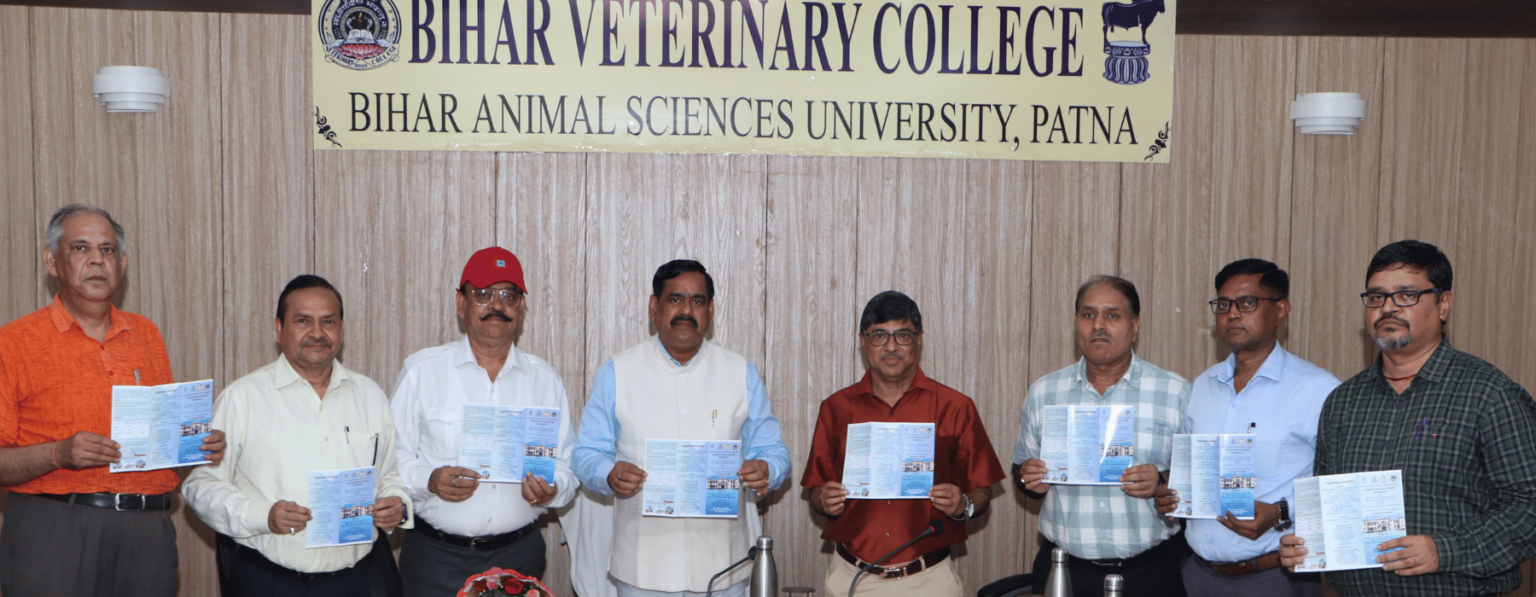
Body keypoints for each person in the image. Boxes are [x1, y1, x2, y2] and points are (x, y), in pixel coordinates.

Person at [1278, 240, 1536, 597]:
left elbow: (1529, 507)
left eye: (1406, 295)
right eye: (1376, 297)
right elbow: (1328, 509)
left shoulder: (1488, 393)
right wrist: (1306, 546)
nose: (1388, 308)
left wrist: (1445, 550)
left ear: (1443, 304)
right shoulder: (1342, 402)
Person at [0, 204, 226, 597]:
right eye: (80, 248)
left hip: (147, 532)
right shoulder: (14, 342)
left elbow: (158, 439)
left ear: (121, 264)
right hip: (55, 529)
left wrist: (195, 442)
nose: (96, 260)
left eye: (107, 250)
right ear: (51, 261)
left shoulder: (145, 334)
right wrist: (58, 453)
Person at [571, 259, 792, 597]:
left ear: (710, 311)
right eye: (675, 299)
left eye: (697, 301)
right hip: (643, 569)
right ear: (654, 307)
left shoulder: (741, 373)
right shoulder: (617, 372)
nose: (686, 310)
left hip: (725, 568)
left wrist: (768, 469)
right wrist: (609, 474)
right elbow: (586, 453)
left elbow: (774, 452)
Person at [183, 275, 412, 597]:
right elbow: (200, 485)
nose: (317, 333)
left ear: (342, 329)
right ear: (279, 329)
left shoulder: (369, 395)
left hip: (354, 581)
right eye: (303, 321)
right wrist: (264, 515)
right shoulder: (242, 397)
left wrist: (396, 505)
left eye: (328, 321)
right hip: (269, 581)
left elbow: (389, 476)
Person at [391, 247, 577, 596]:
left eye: (508, 295)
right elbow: (391, 461)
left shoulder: (545, 380)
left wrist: (553, 490)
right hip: (436, 560)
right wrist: (429, 480)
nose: (496, 305)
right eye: (482, 294)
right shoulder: (422, 371)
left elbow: (568, 466)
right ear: (461, 303)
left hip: (518, 559)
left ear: (521, 307)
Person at [802, 291, 1005, 596]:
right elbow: (816, 492)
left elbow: (982, 490)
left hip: (929, 579)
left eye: (903, 335)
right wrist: (824, 500)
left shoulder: (955, 406)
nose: (891, 346)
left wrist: (963, 505)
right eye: (879, 335)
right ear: (863, 341)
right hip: (852, 577)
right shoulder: (837, 408)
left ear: (919, 339)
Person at [1153, 260, 1336, 596]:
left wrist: (1279, 512)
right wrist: (1171, 493)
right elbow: (1192, 473)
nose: (1233, 313)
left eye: (1247, 303)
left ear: (1281, 310)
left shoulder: (1319, 391)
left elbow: (1339, 485)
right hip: (1198, 575)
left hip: (1276, 577)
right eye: (1224, 304)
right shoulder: (1203, 386)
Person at [1013, 275, 1191, 597]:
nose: (1098, 325)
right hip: (1064, 570)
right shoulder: (1044, 392)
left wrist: (1161, 479)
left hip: (1149, 572)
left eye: (1112, 315)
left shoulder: (1175, 392)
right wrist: (1028, 479)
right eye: (1088, 314)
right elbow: (1021, 470)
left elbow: (1197, 480)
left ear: (1134, 326)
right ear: (1076, 323)